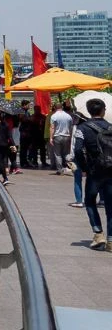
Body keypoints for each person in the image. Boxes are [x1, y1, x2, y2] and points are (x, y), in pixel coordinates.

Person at [75, 98, 112, 251]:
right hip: (111, 170)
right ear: (103, 110)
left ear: (88, 111)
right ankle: (111, 240)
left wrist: (84, 167)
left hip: (94, 171)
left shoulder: (82, 128)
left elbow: (77, 150)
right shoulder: (111, 126)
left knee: (90, 201)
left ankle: (98, 234)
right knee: (111, 205)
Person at [50, 103, 74, 173]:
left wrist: (51, 138)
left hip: (57, 136)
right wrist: (70, 136)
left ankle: (60, 170)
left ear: (55, 107)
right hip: (67, 136)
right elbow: (71, 127)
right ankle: (72, 166)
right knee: (67, 153)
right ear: (62, 107)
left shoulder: (54, 116)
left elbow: (52, 127)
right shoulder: (68, 116)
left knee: (58, 154)